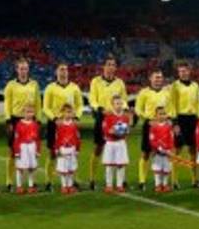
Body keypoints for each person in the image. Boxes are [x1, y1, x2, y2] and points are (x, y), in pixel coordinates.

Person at [88, 56, 127, 190]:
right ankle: (92, 178)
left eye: (113, 65)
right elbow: (92, 99)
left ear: (115, 68)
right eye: (108, 64)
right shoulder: (96, 81)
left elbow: (124, 99)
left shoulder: (120, 83)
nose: (111, 67)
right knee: (98, 148)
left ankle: (121, 180)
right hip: (102, 117)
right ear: (104, 67)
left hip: (117, 118)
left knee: (119, 147)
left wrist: (125, 110)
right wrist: (100, 109)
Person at [43, 63, 84, 191]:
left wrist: (76, 117)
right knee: (52, 153)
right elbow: (46, 107)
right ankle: (48, 181)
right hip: (55, 123)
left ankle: (72, 181)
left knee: (71, 152)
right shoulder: (50, 88)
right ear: (56, 72)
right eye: (61, 69)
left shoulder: (74, 88)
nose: (63, 72)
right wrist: (55, 119)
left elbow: (80, 105)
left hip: (70, 124)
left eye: (65, 69)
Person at [1, 58, 38, 193]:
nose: (23, 71)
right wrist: (8, 120)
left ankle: (30, 183)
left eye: (25, 68)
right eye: (21, 68)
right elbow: (7, 103)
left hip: (30, 120)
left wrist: (37, 119)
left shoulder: (34, 84)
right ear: (17, 70)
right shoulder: (11, 85)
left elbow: (37, 103)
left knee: (30, 152)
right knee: (13, 152)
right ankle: (10, 181)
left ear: (28, 70)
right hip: (16, 120)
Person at [134, 69, 172, 191]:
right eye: (156, 77)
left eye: (160, 77)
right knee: (146, 153)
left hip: (164, 126)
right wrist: (147, 118)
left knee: (165, 153)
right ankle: (142, 180)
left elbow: (170, 109)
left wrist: (169, 119)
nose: (158, 80)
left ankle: (164, 182)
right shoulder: (144, 92)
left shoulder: (167, 93)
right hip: (149, 124)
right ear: (150, 79)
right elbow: (138, 109)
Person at [169, 62, 199, 188]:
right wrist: (175, 122)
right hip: (180, 119)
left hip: (193, 119)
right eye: (181, 71)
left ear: (189, 71)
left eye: (185, 70)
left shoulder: (195, 85)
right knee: (177, 150)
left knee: (193, 150)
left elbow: (198, 103)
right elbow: (172, 104)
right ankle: (174, 180)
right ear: (178, 73)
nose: (184, 73)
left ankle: (195, 179)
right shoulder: (175, 86)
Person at [101, 94, 132, 193]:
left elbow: (127, 130)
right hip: (110, 143)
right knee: (109, 165)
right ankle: (109, 185)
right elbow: (106, 130)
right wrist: (115, 132)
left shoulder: (125, 117)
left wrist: (125, 131)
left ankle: (119, 185)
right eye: (116, 103)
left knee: (121, 165)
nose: (119, 105)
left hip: (121, 143)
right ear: (112, 105)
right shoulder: (108, 117)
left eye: (120, 103)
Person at [13, 103, 41, 194]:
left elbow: (37, 139)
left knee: (31, 168)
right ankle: (19, 186)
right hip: (23, 148)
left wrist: (38, 150)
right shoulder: (19, 124)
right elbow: (16, 138)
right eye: (27, 112)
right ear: (23, 113)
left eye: (31, 112)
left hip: (32, 147)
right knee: (20, 168)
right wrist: (17, 151)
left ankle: (31, 186)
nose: (29, 114)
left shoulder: (35, 124)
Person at [54, 104, 82, 194]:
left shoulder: (74, 125)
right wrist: (57, 149)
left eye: (70, 112)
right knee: (63, 169)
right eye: (67, 112)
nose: (68, 114)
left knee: (70, 169)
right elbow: (57, 138)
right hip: (63, 149)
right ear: (62, 113)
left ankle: (70, 185)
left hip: (72, 149)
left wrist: (77, 149)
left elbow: (77, 138)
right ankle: (64, 186)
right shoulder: (60, 125)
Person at [148, 105, 175, 193]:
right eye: (160, 114)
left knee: (166, 169)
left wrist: (170, 150)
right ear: (156, 115)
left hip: (167, 152)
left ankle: (165, 184)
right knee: (158, 169)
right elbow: (152, 140)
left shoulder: (168, 127)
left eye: (164, 114)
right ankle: (158, 185)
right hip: (157, 152)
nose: (162, 116)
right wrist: (159, 148)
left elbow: (171, 139)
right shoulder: (153, 127)